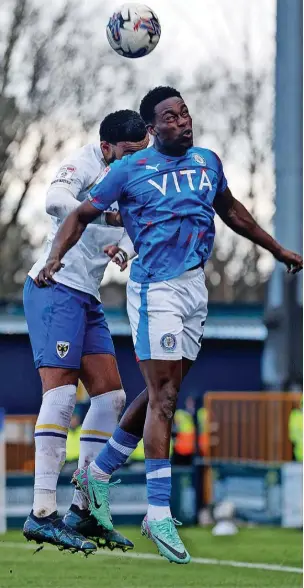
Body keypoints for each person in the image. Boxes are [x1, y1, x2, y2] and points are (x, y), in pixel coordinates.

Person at [37, 86, 303, 563]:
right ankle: (157, 512)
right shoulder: (128, 170)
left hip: (194, 290)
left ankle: (97, 474)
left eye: (185, 113)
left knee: (163, 388)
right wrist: (55, 256)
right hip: (154, 289)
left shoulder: (208, 161)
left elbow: (232, 210)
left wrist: (276, 248)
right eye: (170, 117)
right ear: (152, 129)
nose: (182, 122)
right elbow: (79, 212)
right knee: (164, 398)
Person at [23, 110, 149, 555]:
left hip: (88, 297)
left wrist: (126, 246)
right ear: (106, 147)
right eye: (129, 154)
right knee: (58, 396)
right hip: (53, 287)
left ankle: (82, 509)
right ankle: (41, 513)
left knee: (112, 398)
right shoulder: (83, 164)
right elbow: (55, 201)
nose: (136, 161)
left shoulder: (132, 175)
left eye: (142, 153)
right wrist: (109, 218)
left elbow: (137, 226)